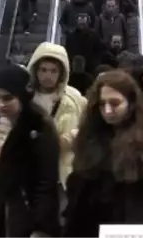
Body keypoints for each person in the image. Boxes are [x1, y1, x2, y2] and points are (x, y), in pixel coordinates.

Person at [63, 70, 143, 238]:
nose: (107, 110)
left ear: (131, 103)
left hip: (132, 229)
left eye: (115, 103)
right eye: (102, 104)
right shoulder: (89, 138)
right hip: (90, 228)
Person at [0, 65, 60, 238]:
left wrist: (41, 227)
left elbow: (45, 183)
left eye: (8, 98)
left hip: (19, 216)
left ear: (22, 97)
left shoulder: (38, 128)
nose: (1, 104)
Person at [27, 42, 85, 189]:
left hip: (65, 169)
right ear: (36, 70)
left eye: (53, 71)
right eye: (43, 70)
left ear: (61, 73)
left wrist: (69, 138)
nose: (48, 76)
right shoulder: (26, 98)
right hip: (33, 169)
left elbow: (87, 125)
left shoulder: (73, 98)